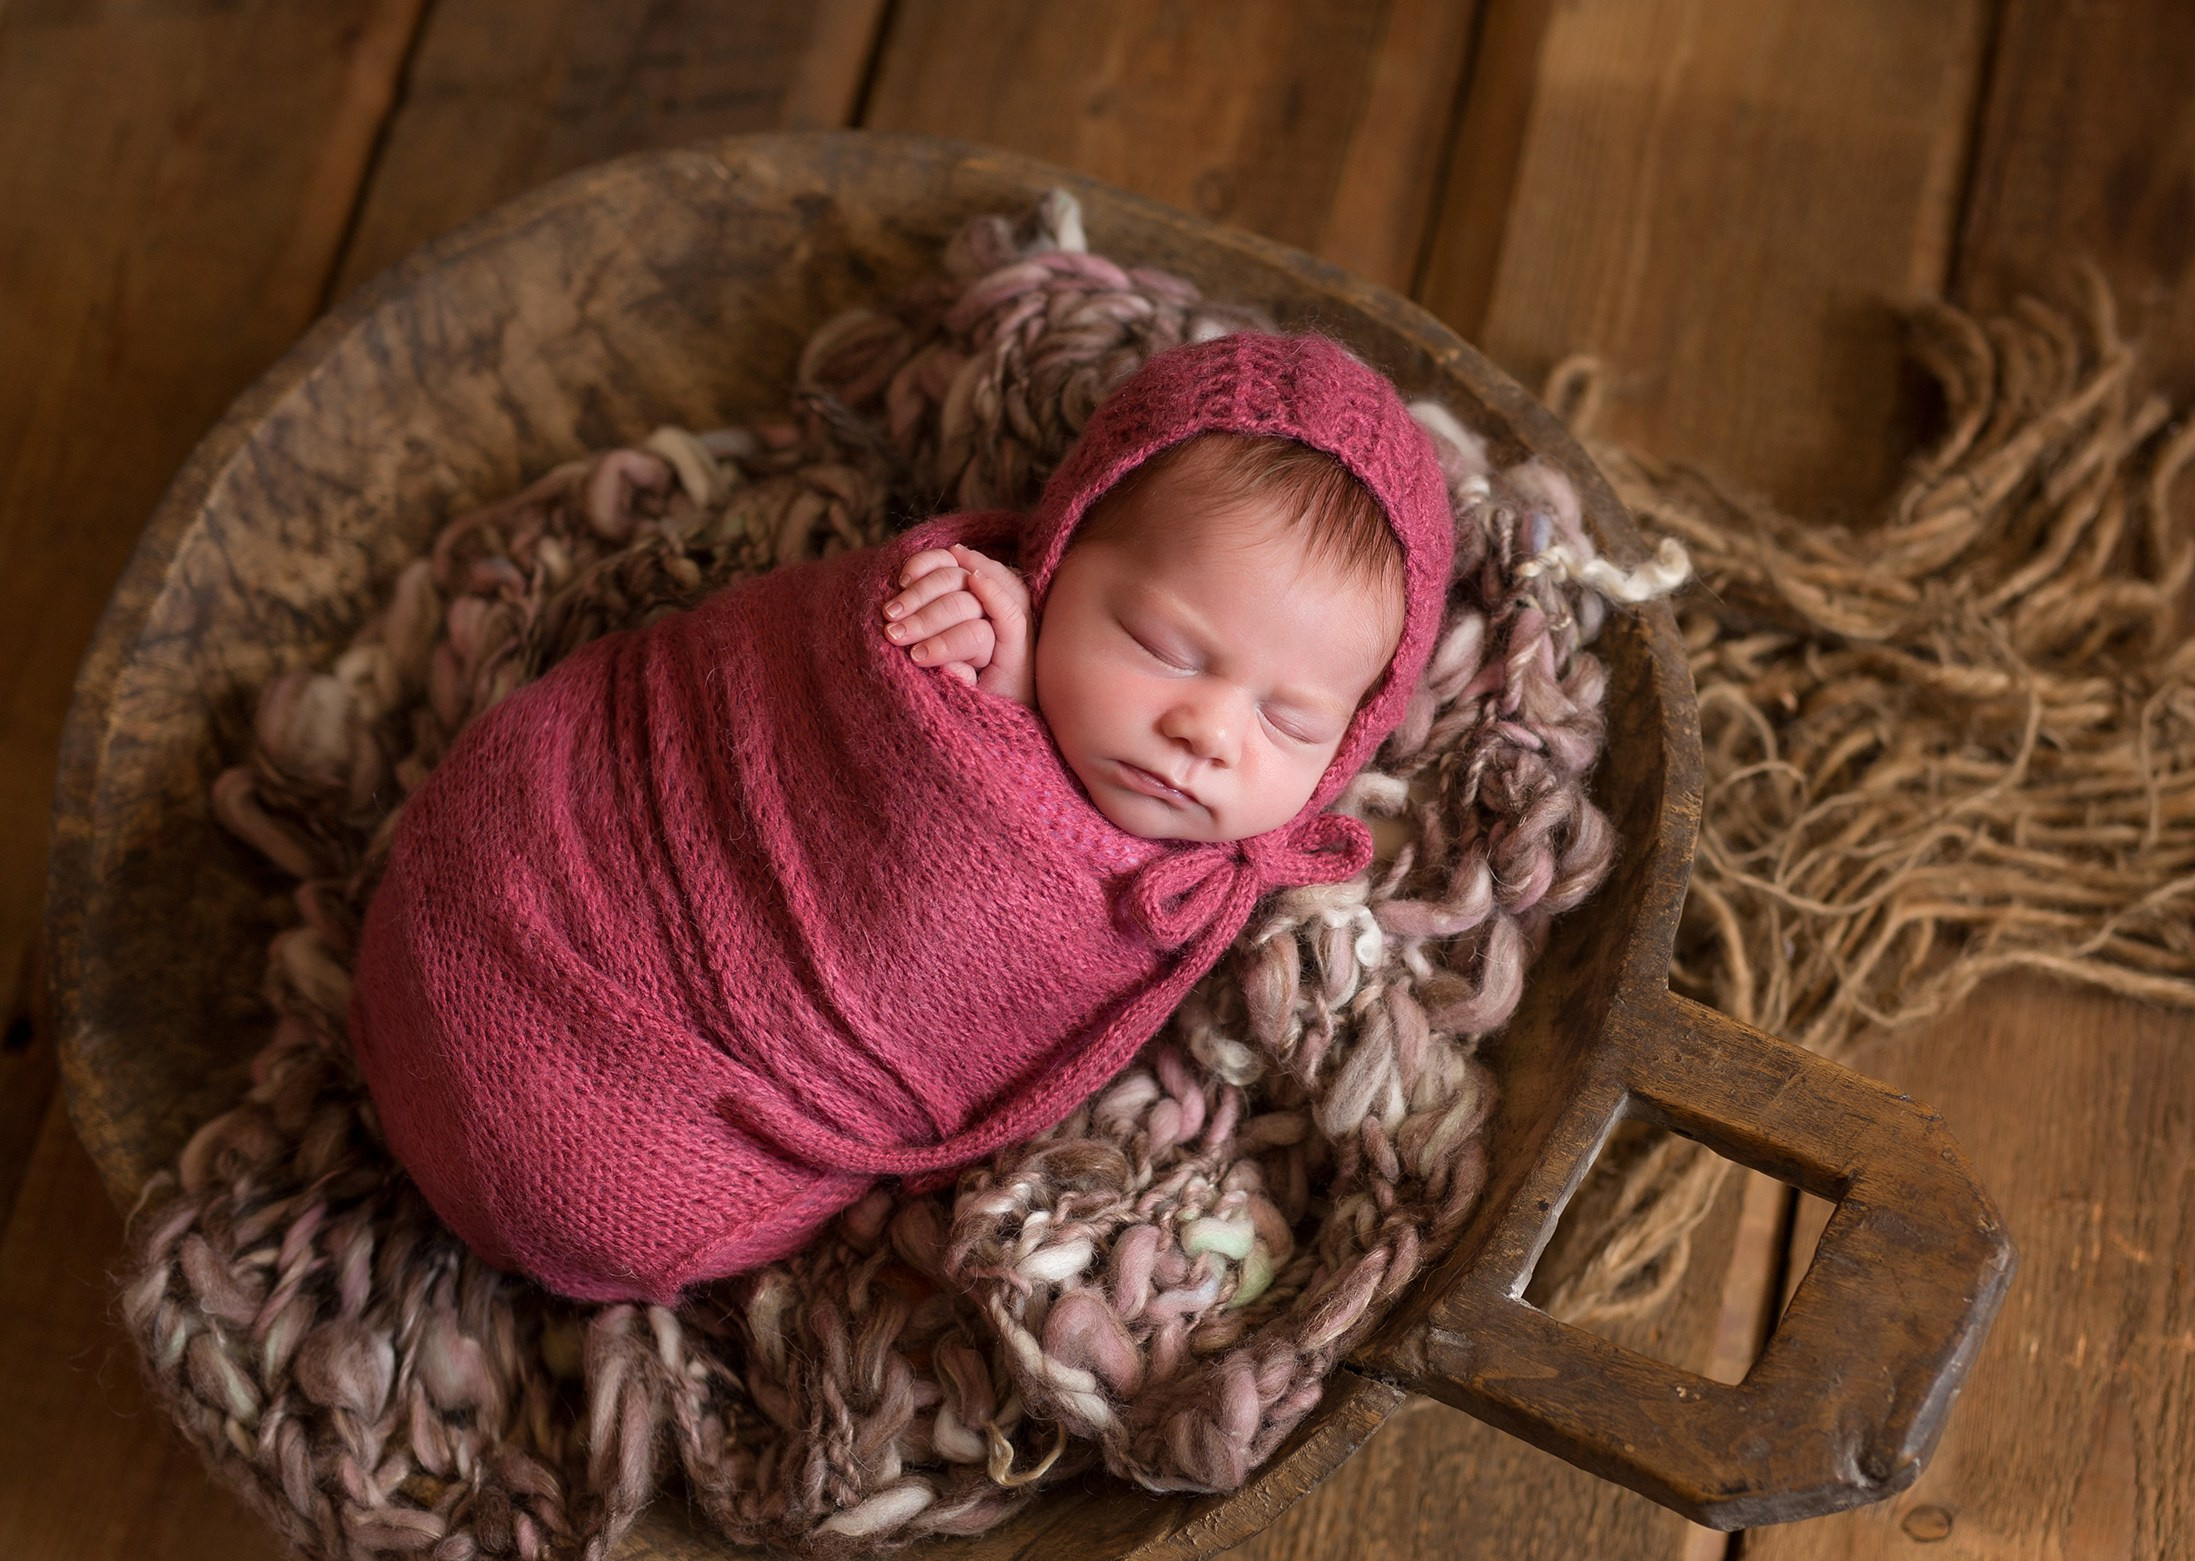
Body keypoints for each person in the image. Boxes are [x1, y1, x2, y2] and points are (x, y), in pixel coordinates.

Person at [348, 331, 1455, 1305]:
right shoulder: (946, 627)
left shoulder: (1205, 890)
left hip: (614, 1161)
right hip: (507, 867)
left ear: (1352, 743)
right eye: (1162, 647)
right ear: (1056, 557)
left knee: (616, 1184)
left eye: (1293, 722)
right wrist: (990, 693)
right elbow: (746, 716)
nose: (1208, 731)